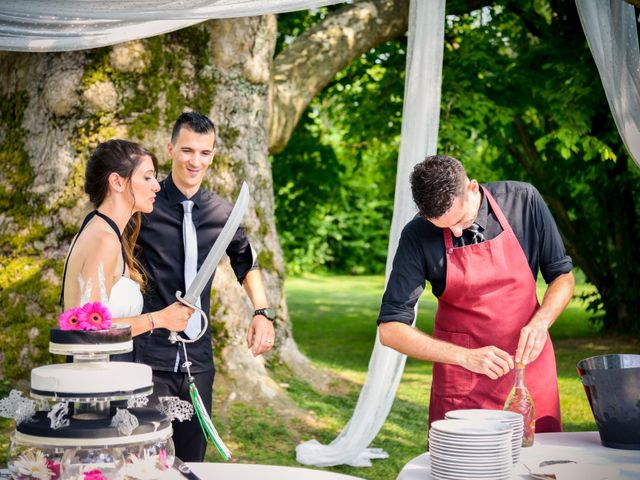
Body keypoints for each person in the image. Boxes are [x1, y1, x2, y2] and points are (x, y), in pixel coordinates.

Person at [378, 155, 574, 432]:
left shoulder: (523, 201)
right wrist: (466, 357)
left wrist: (542, 322)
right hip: (464, 380)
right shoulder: (417, 235)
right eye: (443, 227)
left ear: (472, 188)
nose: (457, 230)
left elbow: (563, 277)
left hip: (530, 368)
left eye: (460, 219)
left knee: (540, 466)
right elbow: (390, 329)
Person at [134, 111, 275, 462]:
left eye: (204, 153)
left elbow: (246, 260)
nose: (195, 161)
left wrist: (262, 312)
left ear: (213, 155)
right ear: (170, 149)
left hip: (197, 359)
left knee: (192, 458)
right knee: (144, 458)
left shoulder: (222, 213)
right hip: (147, 354)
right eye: (187, 151)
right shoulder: (143, 208)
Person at [61, 139, 193, 338]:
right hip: (93, 367)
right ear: (117, 182)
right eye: (148, 177)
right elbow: (86, 328)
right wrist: (160, 319)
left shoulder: (106, 232)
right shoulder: (103, 240)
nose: (157, 186)